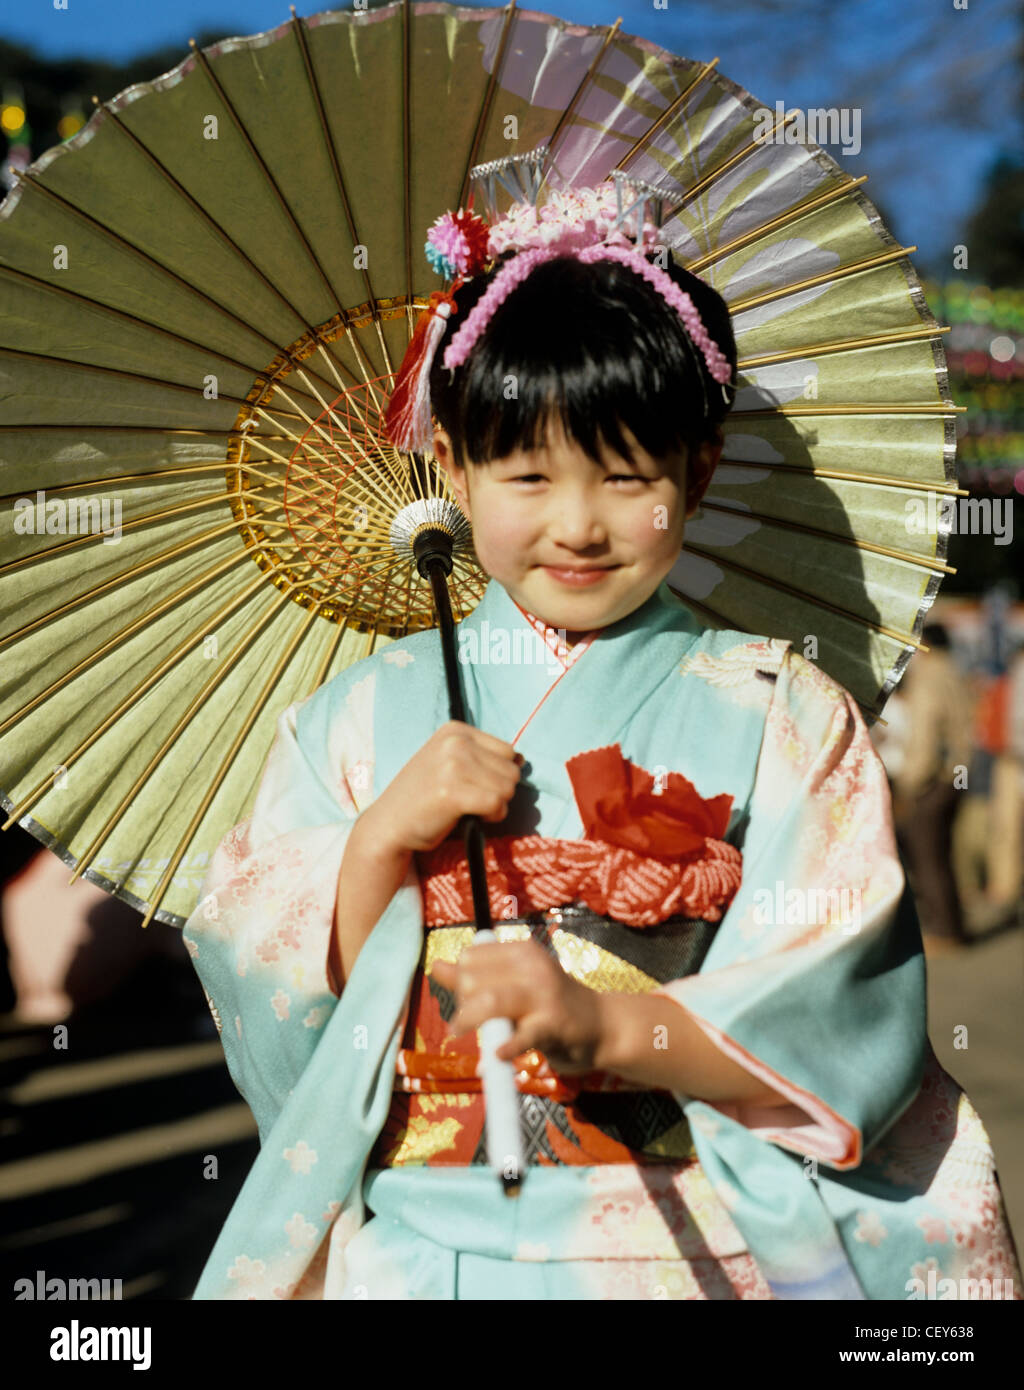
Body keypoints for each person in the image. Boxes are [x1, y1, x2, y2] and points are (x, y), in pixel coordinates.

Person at [182, 182, 1021, 1300]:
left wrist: (609, 1025)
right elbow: (269, 1003)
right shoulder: (356, 719)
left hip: (682, 1247)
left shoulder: (784, 713)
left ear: (700, 469)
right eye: (526, 475)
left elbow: (840, 1022)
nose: (577, 523)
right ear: (451, 469)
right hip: (422, 1254)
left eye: (626, 477)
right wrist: (378, 844)